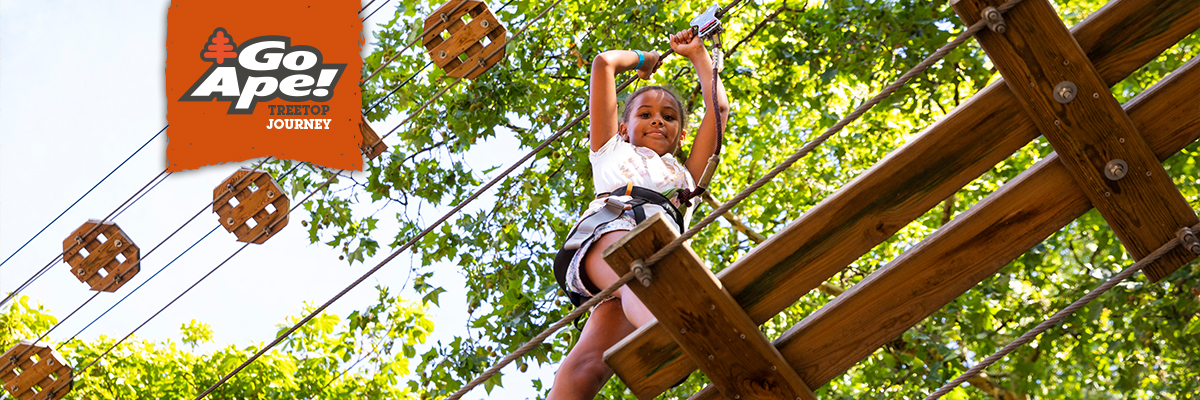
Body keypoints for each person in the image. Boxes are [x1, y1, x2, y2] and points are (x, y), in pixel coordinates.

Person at [549, 26, 729, 399]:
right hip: (608, 234)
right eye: (645, 114)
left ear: (681, 136)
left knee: (589, 364)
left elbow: (719, 109)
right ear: (623, 129)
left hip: (654, 263)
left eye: (669, 116)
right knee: (635, 267)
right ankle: (664, 326)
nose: (658, 120)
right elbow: (604, 63)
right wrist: (646, 61)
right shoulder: (610, 151)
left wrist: (698, 54)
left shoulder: (686, 177)